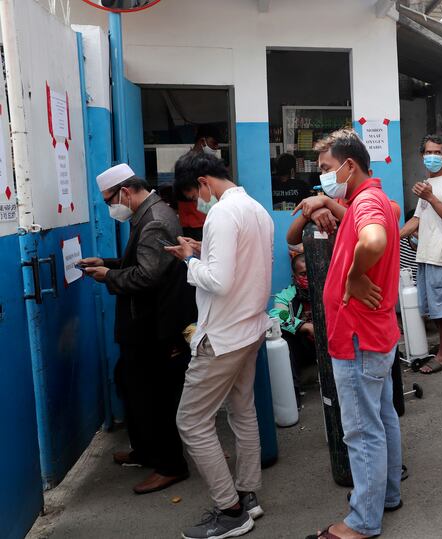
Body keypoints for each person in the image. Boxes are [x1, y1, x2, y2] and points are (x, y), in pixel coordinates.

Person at [169, 152, 274, 539]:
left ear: (204, 183)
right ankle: (247, 494)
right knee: (242, 411)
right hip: (250, 329)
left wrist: (187, 260)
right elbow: (244, 268)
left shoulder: (222, 214)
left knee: (191, 421)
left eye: (194, 194)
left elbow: (220, 281)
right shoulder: (256, 210)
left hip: (224, 335)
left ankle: (230, 511)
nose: (196, 203)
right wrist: (201, 252)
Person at [307, 129, 401, 539]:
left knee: (362, 429)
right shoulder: (367, 200)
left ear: (350, 165)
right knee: (381, 417)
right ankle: (388, 495)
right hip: (374, 333)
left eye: (327, 168)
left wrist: (356, 274)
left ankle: (363, 521)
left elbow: (375, 238)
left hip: (359, 336)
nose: (324, 176)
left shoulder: (366, 203)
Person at [80, 164, 195, 495]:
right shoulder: (150, 214)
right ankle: (145, 450)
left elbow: (148, 276)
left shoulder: (154, 220)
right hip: (145, 323)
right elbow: (144, 264)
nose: (109, 207)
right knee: (131, 386)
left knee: (154, 397)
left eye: (108, 200)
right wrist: (107, 262)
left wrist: (109, 276)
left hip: (152, 325)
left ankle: (171, 466)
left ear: (126, 192)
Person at [400, 134, 442, 374]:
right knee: (433, 304)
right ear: (422, 156)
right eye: (428, 152)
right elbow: (417, 219)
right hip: (425, 254)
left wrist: (430, 197)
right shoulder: (427, 184)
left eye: (437, 152)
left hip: (441, 254)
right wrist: (393, 237)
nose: (432, 157)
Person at [269, 253, 316, 403]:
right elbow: (277, 314)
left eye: (312, 271)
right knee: (285, 338)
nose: (308, 277)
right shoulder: (286, 295)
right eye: (303, 274)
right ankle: (292, 398)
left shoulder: (328, 288)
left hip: (328, 343)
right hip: (304, 347)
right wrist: (304, 326)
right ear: (294, 275)